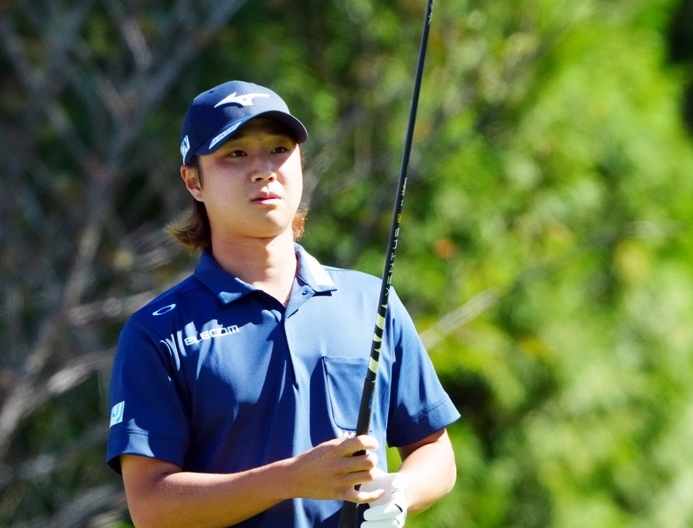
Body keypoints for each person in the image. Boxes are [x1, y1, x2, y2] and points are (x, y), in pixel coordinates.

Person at [106, 80, 459, 528]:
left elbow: (433, 448)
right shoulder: (157, 333)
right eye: (235, 154)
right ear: (193, 181)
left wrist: (403, 490)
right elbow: (152, 507)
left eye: (279, 149)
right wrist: (291, 479)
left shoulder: (371, 299)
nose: (263, 170)